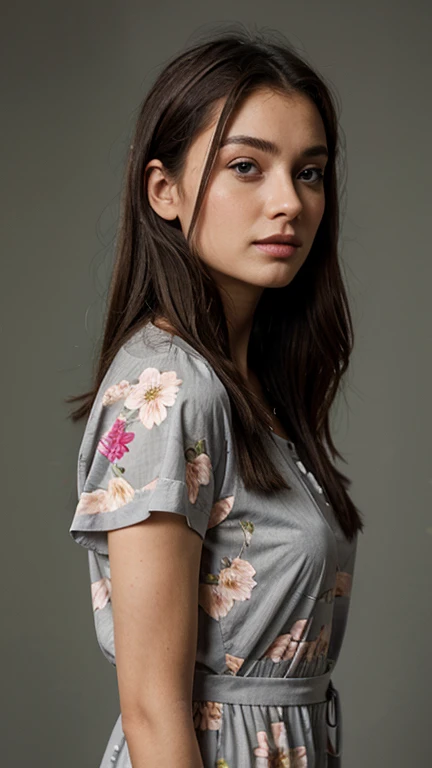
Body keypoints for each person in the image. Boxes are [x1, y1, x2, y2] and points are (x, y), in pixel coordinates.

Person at [66, 24, 364, 768]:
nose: (288, 203)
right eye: (246, 167)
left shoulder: (249, 388)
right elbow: (151, 709)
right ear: (164, 191)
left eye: (310, 172)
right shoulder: (164, 390)